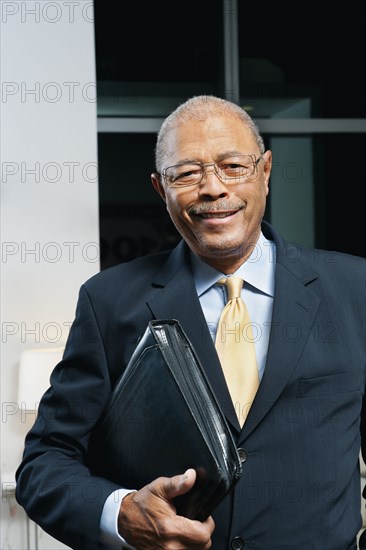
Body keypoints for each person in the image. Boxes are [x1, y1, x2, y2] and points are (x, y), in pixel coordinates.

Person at [15, 95, 366, 550]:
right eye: (186, 173)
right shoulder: (108, 302)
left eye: (233, 166)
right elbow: (45, 463)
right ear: (162, 190)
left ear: (265, 172)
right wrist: (120, 513)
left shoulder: (355, 288)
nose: (213, 189)